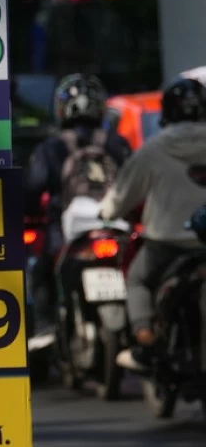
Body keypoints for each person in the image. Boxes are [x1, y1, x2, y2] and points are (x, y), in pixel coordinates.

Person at [100, 79, 206, 372]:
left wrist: (107, 211)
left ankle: (145, 341)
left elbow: (118, 199)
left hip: (166, 245)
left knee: (137, 280)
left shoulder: (154, 148)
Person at [24, 73, 131, 330]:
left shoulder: (50, 149)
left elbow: (32, 191)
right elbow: (135, 183)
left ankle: (46, 328)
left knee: (40, 271)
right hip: (116, 228)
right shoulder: (117, 144)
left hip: (63, 234)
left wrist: (30, 213)